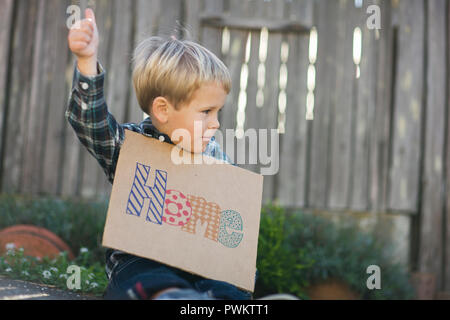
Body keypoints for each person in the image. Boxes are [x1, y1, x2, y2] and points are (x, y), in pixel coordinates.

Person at [66, 8, 251, 300]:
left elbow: (230, 222)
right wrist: (87, 62)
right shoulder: (131, 146)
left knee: (226, 288)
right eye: (206, 112)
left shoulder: (215, 157)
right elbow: (91, 126)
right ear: (163, 110)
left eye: (217, 112)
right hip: (141, 260)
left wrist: (238, 260)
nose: (216, 123)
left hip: (202, 265)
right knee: (149, 277)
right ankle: (173, 296)